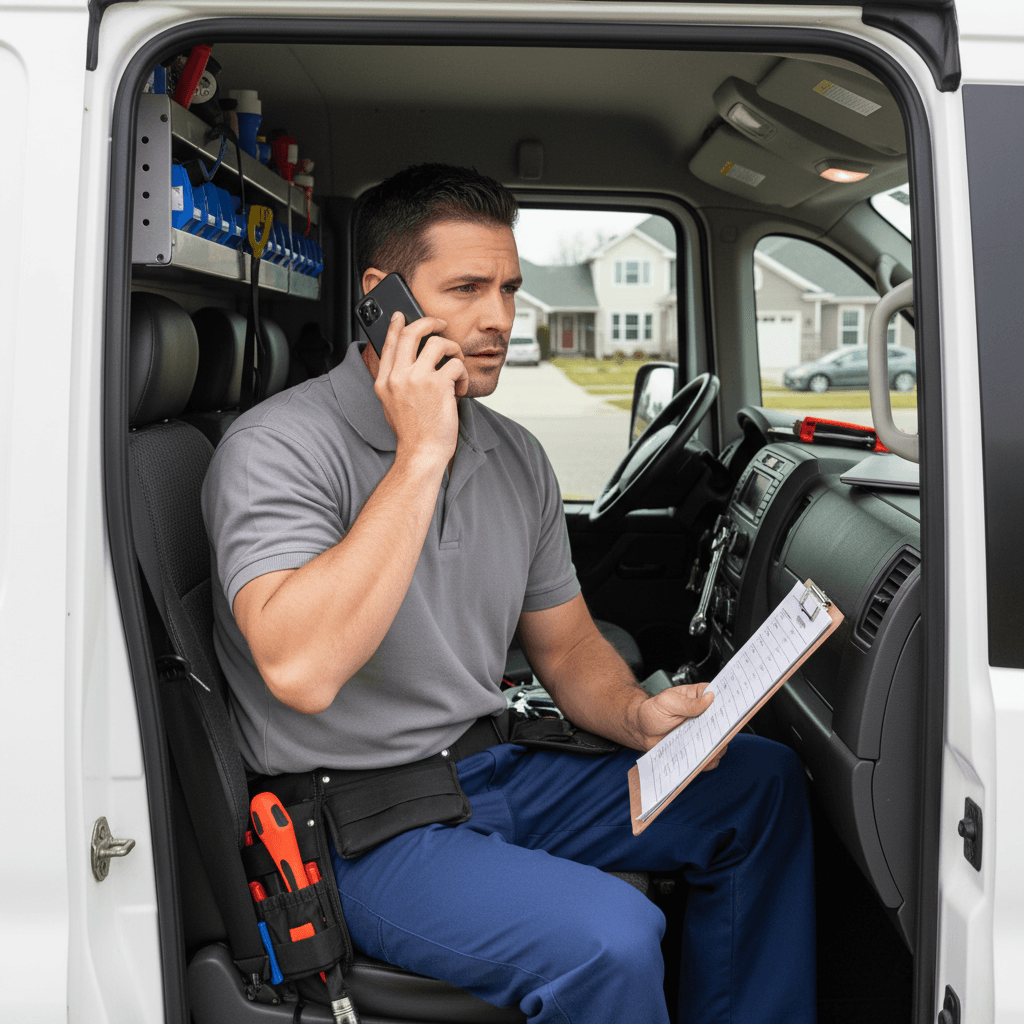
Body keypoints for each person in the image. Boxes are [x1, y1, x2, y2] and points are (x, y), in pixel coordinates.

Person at [202, 163, 816, 1023]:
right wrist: (420, 453)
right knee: (612, 938)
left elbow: (564, 646)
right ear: (383, 298)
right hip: (365, 822)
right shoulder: (278, 448)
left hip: (496, 765)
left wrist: (637, 716)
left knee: (758, 783)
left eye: (510, 289)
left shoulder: (515, 454)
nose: (499, 319)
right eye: (466, 288)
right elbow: (300, 669)